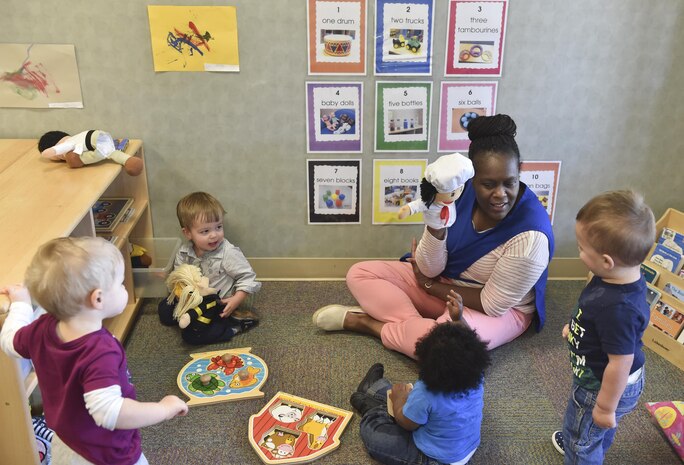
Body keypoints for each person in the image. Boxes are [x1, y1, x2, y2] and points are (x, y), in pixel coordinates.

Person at [313, 114, 554, 357]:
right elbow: (429, 268)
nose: (501, 194)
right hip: (448, 285)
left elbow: (492, 304)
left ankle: (369, 324)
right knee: (360, 274)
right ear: (472, 179)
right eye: (489, 184)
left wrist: (429, 286)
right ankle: (415, 328)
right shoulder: (457, 193)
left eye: (509, 183)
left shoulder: (531, 237)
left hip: (497, 309)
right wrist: (436, 225)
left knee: (446, 350)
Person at [0, 237, 188, 465]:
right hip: (108, 455)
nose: (123, 287)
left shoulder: (42, 327)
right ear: (98, 298)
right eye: (120, 283)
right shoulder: (100, 352)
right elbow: (110, 412)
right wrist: (163, 409)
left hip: (66, 443)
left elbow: (9, 342)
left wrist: (20, 304)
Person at [552, 190, 655, 464]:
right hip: (608, 375)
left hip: (601, 387)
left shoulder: (617, 309)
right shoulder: (620, 276)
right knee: (593, 432)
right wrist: (575, 329)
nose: (578, 251)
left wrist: (605, 407)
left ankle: (583, 448)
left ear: (607, 260)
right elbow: (597, 317)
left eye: (581, 247)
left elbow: (620, 362)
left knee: (580, 438)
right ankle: (592, 439)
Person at [350, 304, 491, 465]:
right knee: (405, 397)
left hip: (433, 458)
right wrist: (458, 319)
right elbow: (471, 342)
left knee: (376, 436)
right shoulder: (477, 376)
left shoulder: (426, 391)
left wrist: (398, 402)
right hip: (464, 448)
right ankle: (373, 390)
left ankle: (372, 409)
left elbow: (407, 424)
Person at [158, 191, 261, 329]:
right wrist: (176, 290)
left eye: (218, 227)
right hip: (192, 300)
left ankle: (235, 327)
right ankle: (190, 317)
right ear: (188, 233)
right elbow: (179, 278)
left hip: (217, 304)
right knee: (164, 310)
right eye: (205, 231)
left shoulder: (228, 253)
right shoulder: (184, 253)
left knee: (194, 334)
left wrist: (237, 299)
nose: (214, 235)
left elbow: (248, 277)